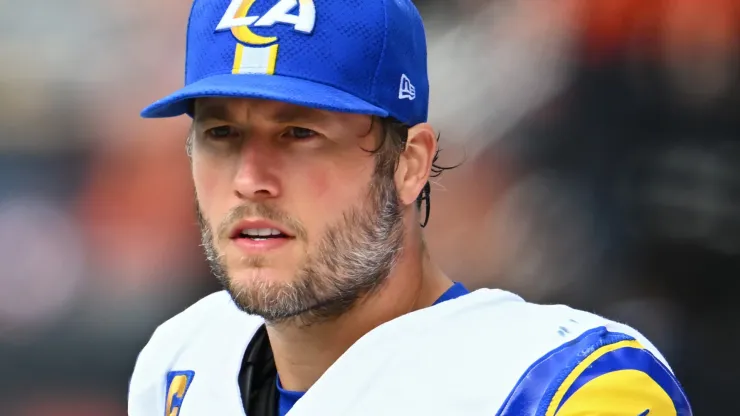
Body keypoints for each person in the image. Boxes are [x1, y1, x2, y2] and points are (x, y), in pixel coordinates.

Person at [128, 0, 693, 415]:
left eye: (298, 134)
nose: (250, 180)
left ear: (410, 163)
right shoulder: (179, 359)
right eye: (222, 133)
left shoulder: (560, 386)